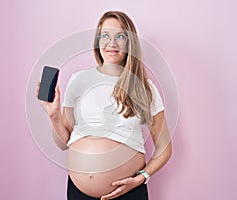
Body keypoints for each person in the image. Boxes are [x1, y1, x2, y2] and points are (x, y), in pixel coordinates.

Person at [36, 11, 172, 200]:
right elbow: (63, 143)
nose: (111, 43)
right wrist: (54, 116)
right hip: (79, 193)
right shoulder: (79, 80)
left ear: (130, 42)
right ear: (97, 41)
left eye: (120, 36)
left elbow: (165, 147)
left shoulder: (144, 88)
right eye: (105, 35)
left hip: (128, 192)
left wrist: (142, 178)